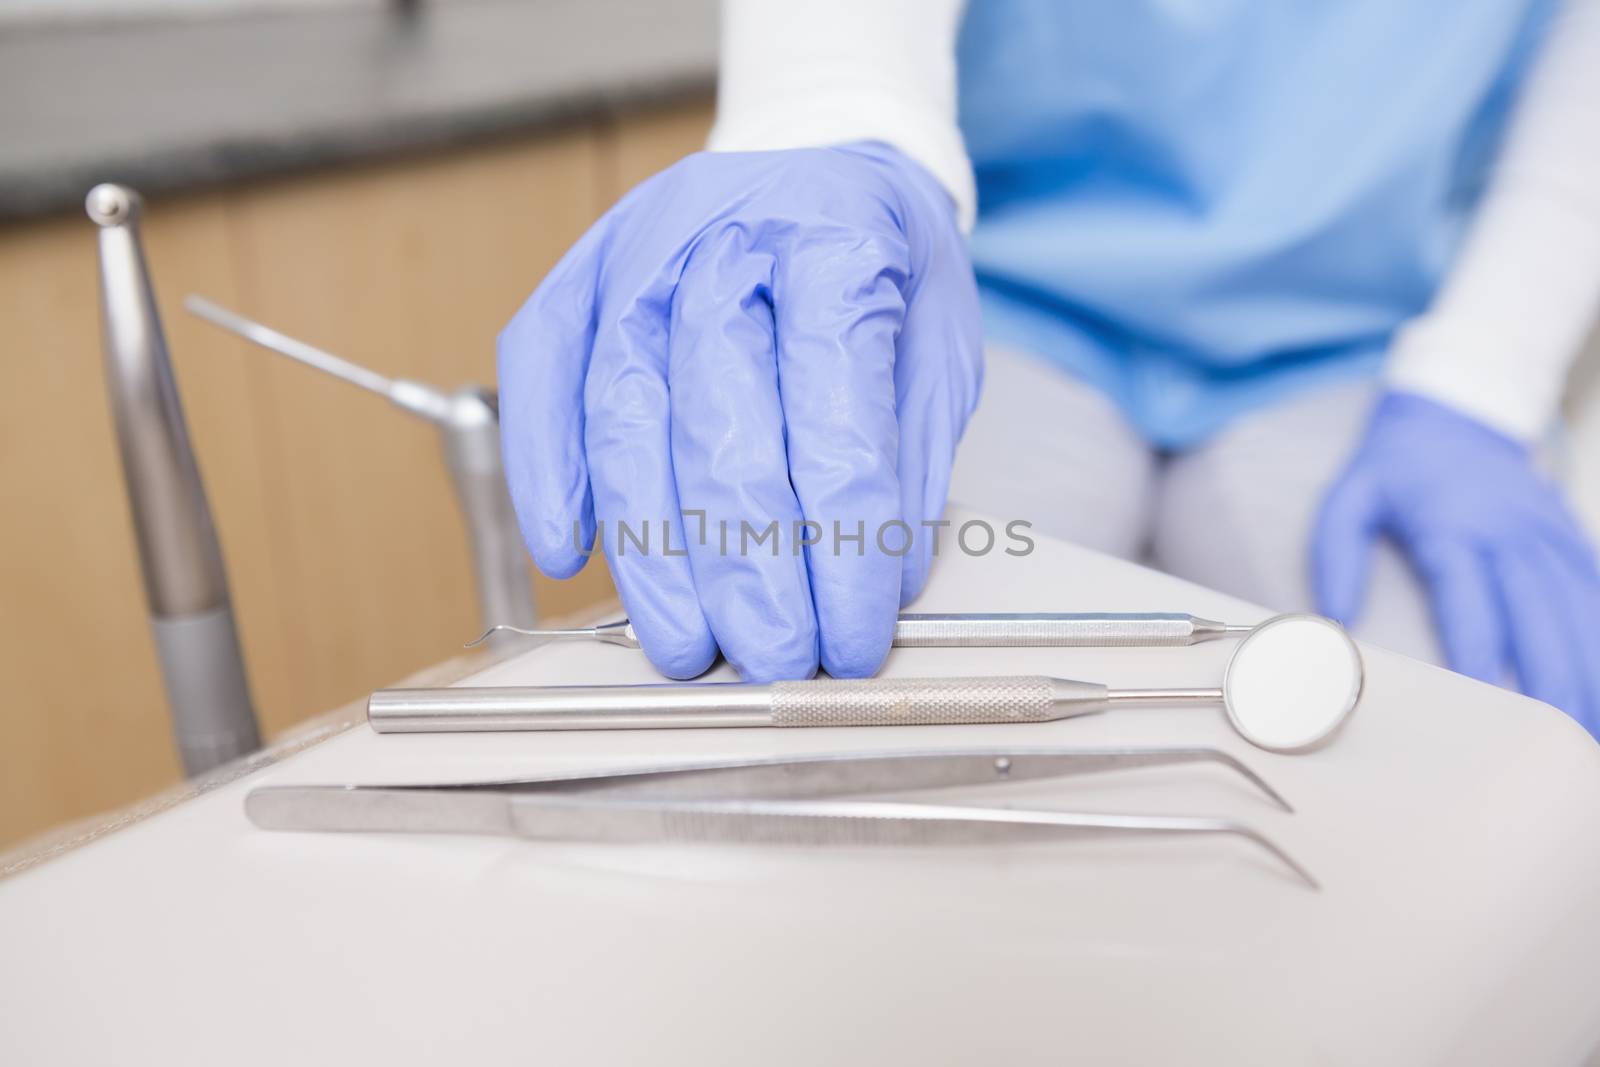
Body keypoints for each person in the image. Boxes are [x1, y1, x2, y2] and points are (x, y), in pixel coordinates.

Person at [497, 0, 1600, 735]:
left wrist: (1478, 380)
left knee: (1466, 747)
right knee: (833, 717)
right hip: (989, 299)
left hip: (1359, 326)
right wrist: (833, 119)